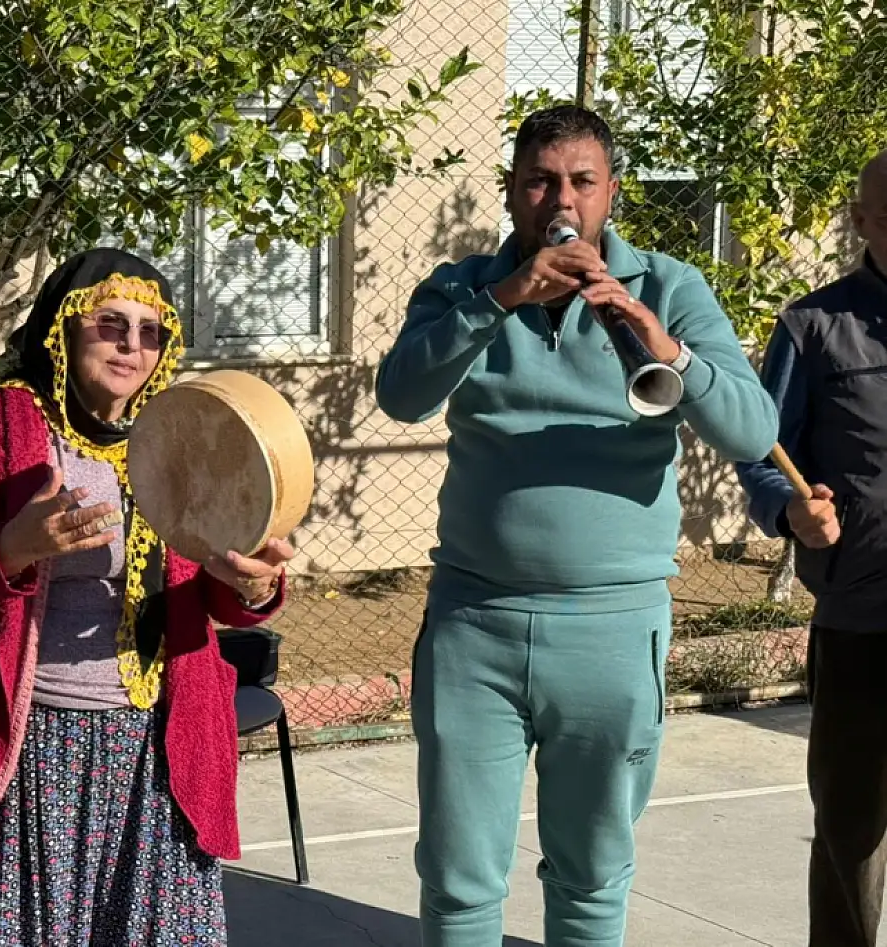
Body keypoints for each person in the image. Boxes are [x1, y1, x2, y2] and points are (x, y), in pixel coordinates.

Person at [374, 105, 779, 947]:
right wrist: (502, 297)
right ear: (514, 192)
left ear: (611, 194)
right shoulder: (461, 286)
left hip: (614, 630)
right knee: (457, 878)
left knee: (592, 878)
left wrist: (668, 351)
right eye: (541, 181)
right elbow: (402, 394)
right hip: (475, 624)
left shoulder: (669, 285)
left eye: (582, 182)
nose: (562, 200)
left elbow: (750, 429)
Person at [0, 248, 295, 946]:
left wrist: (253, 583)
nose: (131, 345)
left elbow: (215, 591)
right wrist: (14, 544)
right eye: (110, 322)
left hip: (151, 745)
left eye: (151, 331)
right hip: (28, 746)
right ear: (63, 329)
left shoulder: (184, 434)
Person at [734, 148, 887, 947]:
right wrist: (791, 508)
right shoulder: (812, 325)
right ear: (861, 220)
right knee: (850, 830)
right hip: (861, 617)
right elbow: (759, 450)